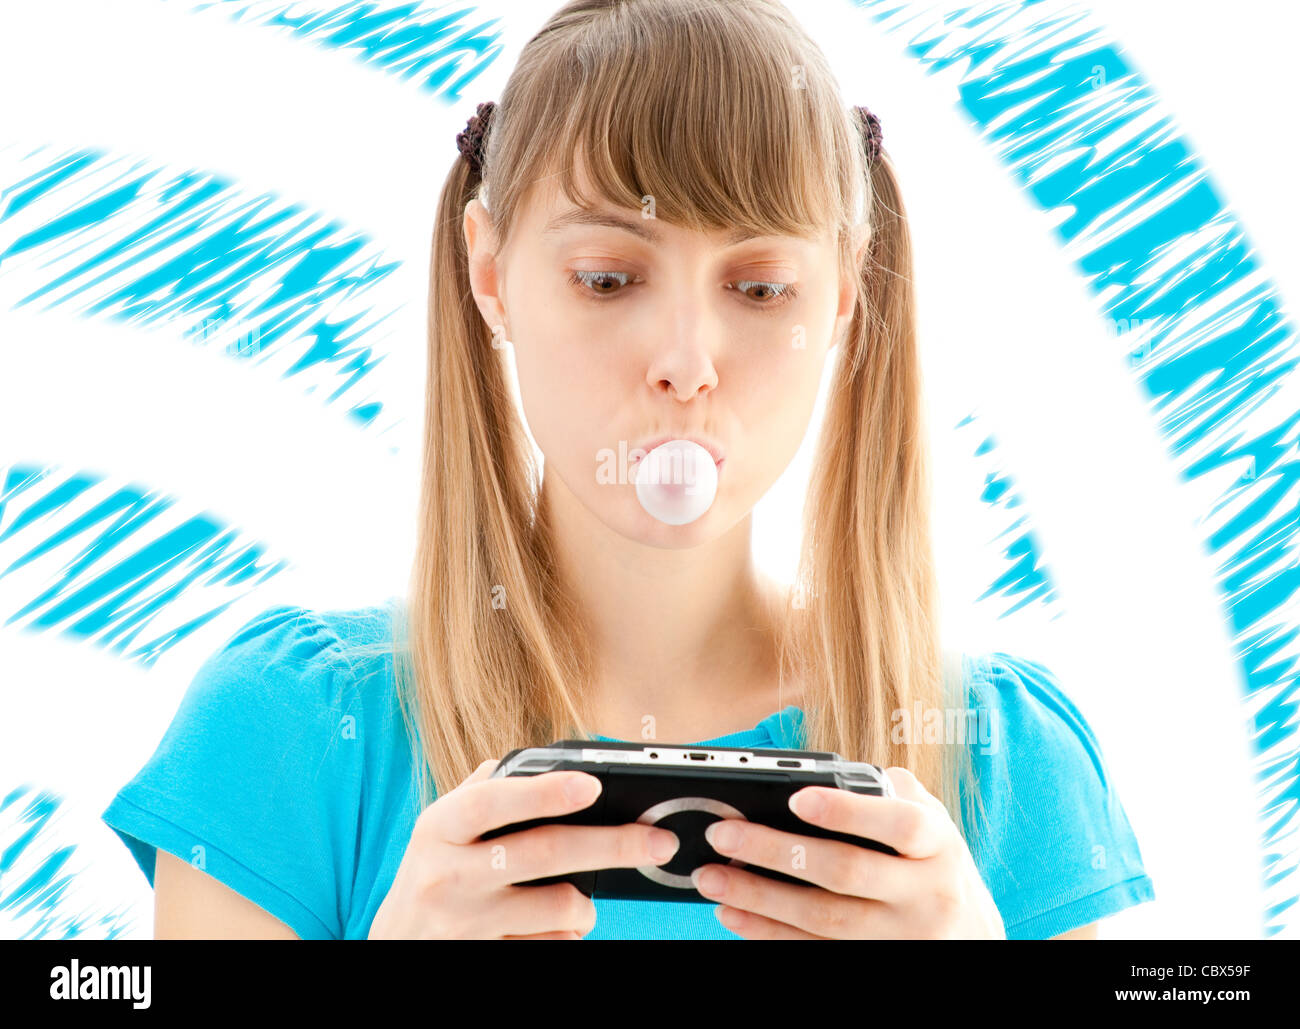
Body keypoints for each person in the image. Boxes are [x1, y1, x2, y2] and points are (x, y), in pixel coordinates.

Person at [102, 0, 1154, 940]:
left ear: (840, 300)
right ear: (489, 271)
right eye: (608, 277)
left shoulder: (1002, 761)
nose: (685, 366)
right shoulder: (288, 732)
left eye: (759, 288)